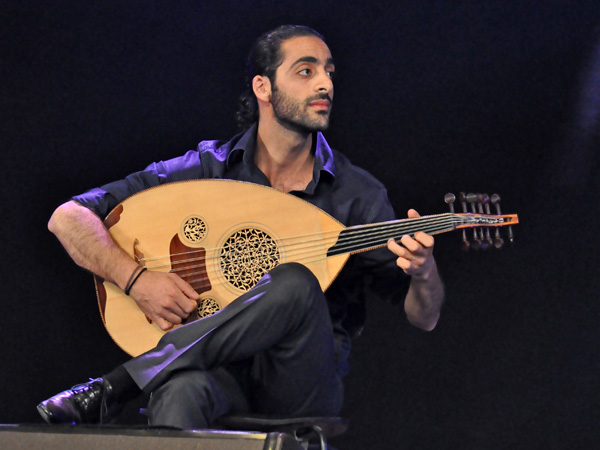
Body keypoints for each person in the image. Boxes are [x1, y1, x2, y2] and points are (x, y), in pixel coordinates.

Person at [37, 25, 445, 428]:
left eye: (329, 72)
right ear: (263, 87)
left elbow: (423, 316)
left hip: (299, 382)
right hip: (221, 373)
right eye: (306, 71)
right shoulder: (206, 170)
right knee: (179, 392)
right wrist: (135, 278)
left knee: (295, 283)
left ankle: (117, 386)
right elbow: (67, 218)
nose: (325, 84)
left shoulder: (356, 193)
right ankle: (141, 383)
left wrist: (424, 272)